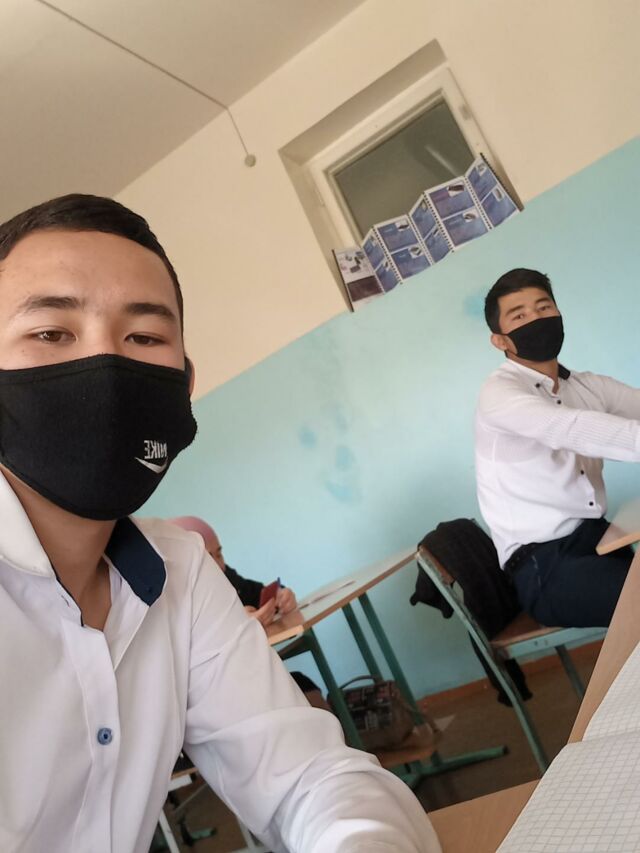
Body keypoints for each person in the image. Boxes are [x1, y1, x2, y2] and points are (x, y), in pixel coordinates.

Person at [0, 194, 440, 853]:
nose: (107, 367)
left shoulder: (179, 571)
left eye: (144, 338)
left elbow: (307, 776)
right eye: (50, 333)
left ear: (183, 384)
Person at [475, 267, 640, 629]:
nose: (536, 319)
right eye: (519, 315)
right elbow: (569, 428)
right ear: (500, 340)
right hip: (544, 567)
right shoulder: (499, 395)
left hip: (598, 538)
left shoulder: (586, 385)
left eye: (544, 307)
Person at [169, 515, 329, 709]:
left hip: (251, 678)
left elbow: (258, 593)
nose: (219, 565)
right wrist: (234, 623)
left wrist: (281, 597)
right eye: (208, 558)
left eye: (219, 554)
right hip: (217, 701)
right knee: (291, 691)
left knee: (301, 684)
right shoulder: (174, 603)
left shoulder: (226, 577)